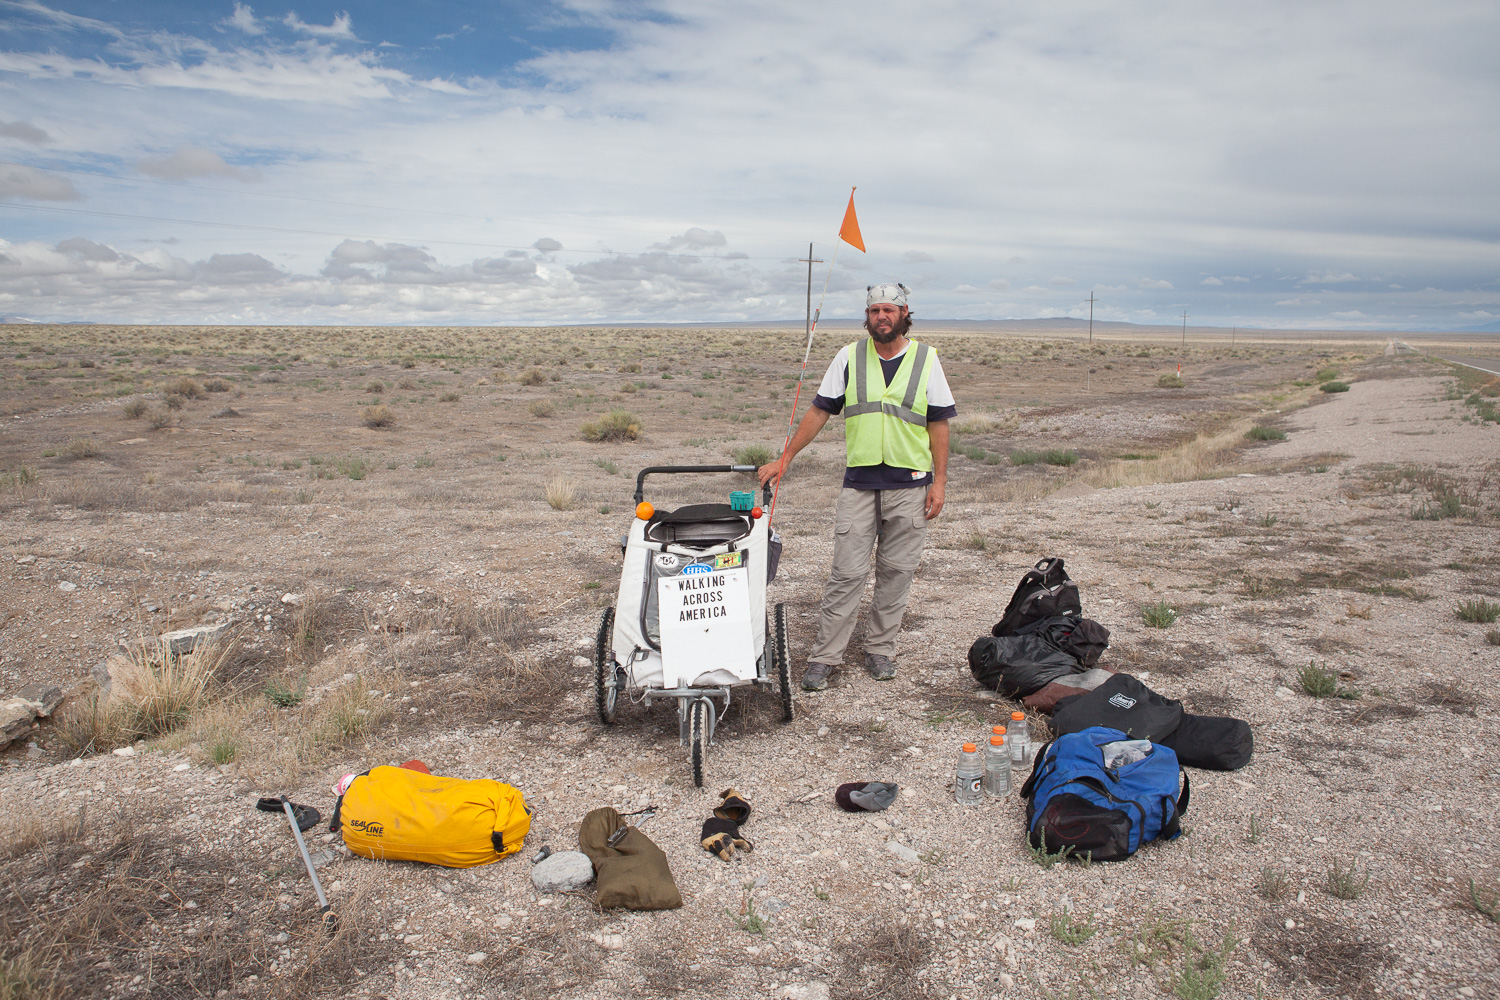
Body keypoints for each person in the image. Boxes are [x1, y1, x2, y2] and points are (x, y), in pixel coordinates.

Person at [758, 282, 955, 689]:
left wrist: (939, 481)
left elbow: (938, 422)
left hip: (910, 484)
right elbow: (819, 411)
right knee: (846, 573)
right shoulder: (848, 357)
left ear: (904, 314)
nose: (881, 317)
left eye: (889, 310)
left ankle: (880, 650)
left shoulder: (926, 359)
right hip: (860, 484)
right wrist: (786, 457)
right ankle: (824, 657)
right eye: (874, 310)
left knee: (896, 572)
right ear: (867, 316)